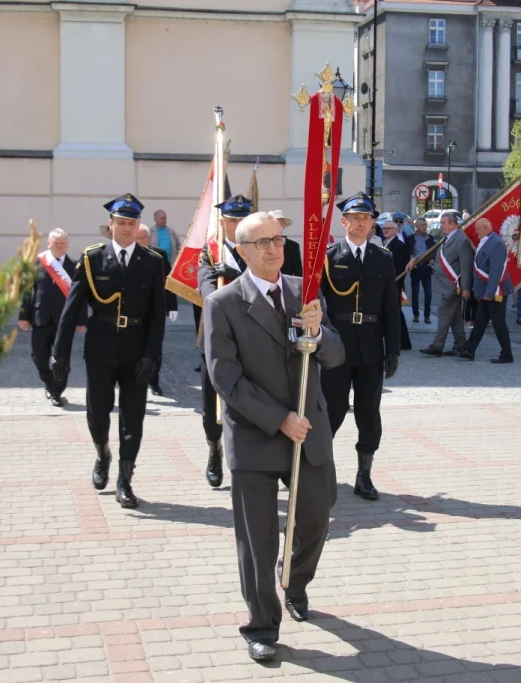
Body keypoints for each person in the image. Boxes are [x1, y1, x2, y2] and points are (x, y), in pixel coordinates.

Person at [203, 211, 344, 662]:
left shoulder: (304, 290)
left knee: (317, 518)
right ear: (241, 251)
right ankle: (261, 624)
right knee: (258, 539)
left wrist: (317, 332)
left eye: (278, 240)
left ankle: (295, 581)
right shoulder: (223, 303)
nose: (272, 249)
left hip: (310, 433)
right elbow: (225, 377)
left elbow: (337, 354)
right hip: (257, 436)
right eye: (260, 242)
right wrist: (279, 418)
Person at [51, 194, 168, 509]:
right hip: (100, 348)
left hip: (136, 350)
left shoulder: (153, 261)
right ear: (111, 225)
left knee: (133, 418)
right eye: (122, 222)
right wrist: (60, 351)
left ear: (138, 225)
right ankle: (102, 452)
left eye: (132, 223)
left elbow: (158, 316)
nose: (127, 228)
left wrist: (151, 355)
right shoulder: (92, 259)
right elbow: (72, 306)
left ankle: (125, 480)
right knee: (97, 413)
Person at [320, 192, 400, 501]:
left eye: (367, 218)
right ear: (344, 221)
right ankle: (321, 469)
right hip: (336, 346)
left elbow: (390, 307)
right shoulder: (329, 257)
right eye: (355, 218)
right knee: (332, 410)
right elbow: (318, 304)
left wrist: (393, 349)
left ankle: (364, 474)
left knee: (369, 412)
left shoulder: (383, 258)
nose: (361, 223)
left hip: (370, 347)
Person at [198, 194, 253, 489]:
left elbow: (265, 284)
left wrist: (239, 275)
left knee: (249, 401)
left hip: (251, 339)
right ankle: (213, 450)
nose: (239, 225)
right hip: (216, 338)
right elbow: (207, 293)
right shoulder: (210, 252)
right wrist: (232, 282)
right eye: (233, 220)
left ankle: (245, 461)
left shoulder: (257, 250)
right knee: (212, 405)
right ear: (223, 223)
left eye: (244, 219)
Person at [19, 228, 85, 406]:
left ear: (67, 246)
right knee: (38, 355)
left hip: (65, 320)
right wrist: (23, 316)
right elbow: (26, 290)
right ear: (49, 244)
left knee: (62, 356)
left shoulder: (74, 267)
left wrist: (81, 320)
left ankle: (57, 391)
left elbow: (81, 295)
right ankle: (48, 381)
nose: (59, 246)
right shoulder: (38, 263)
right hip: (40, 317)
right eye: (55, 243)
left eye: (62, 243)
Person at [458, 218, 513, 363]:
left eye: (478, 229)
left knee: (499, 323)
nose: (475, 232)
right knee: (480, 320)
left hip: (495, 292)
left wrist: (490, 292)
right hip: (486, 291)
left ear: (486, 227)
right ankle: (469, 349)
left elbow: (496, 270)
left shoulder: (496, 243)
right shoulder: (487, 241)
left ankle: (507, 354)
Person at [419, 210, 473, 356]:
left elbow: (466, 265)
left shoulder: (461, 240)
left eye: (443, 223)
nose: (441, 225)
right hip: (446, 284)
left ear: (453, 224)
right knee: (455, 317)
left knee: (443, 313)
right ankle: (460, 345)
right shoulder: (448, 238)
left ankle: (437, 345)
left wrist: (466, 288)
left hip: (453, 286)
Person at [135, 224, 180, 396]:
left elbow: (168, 280)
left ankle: (154, 381)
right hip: (134, 311)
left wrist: (172, 305)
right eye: (137, 238)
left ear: (148, 239)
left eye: (142, 238)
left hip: (155, 310)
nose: (139, 241)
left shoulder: (158, 255)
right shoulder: (128, 254)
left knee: (155, 348)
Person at [382, 219, 412, 351]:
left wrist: (394, 283)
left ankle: (403, 342)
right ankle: (398, 341)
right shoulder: (385, 243)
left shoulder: (399, 246)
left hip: (394, 284)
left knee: (396, 314)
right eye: (384, 228)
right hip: (387, 284)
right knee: (393, 313)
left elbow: (398, 268)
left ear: (395, 230)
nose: (385, 230)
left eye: (388, 228)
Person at [407, 218, 435, 323]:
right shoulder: (410, 238)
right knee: (415, 292)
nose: (425, 227)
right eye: (423, 225)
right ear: (417, 226)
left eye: (426, 225)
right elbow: (407, 252)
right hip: (415, 268)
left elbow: (433, 252)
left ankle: (427, 315)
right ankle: (416, 315)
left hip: (426, 267)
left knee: (428, 292)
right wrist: (410, 261)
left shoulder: (430, 238)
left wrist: (431, 262)